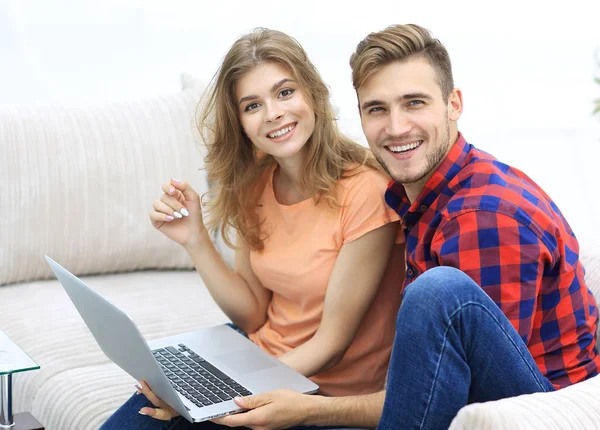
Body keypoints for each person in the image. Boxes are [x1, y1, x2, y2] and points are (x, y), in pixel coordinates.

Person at [211, 24, 600, 430]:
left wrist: (307, 410)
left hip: (541, 413)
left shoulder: (480, 219)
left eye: (414, 103)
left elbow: (459, 399)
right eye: (377, 109)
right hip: (484, 397)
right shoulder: (417, 197)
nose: (396, 128)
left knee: (436, 291)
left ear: (454, 104)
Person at [100, 28, 405, 430]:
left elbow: (332, 344)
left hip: (316, 396)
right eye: (252, 105)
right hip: (257, 362)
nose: (273, 113)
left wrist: (223, 390)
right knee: (141, 411)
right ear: (241, 122)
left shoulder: (367, 192)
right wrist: (195, 240)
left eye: (284, 92)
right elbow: (253, 315)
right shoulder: (254, 185)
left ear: (312, 94)